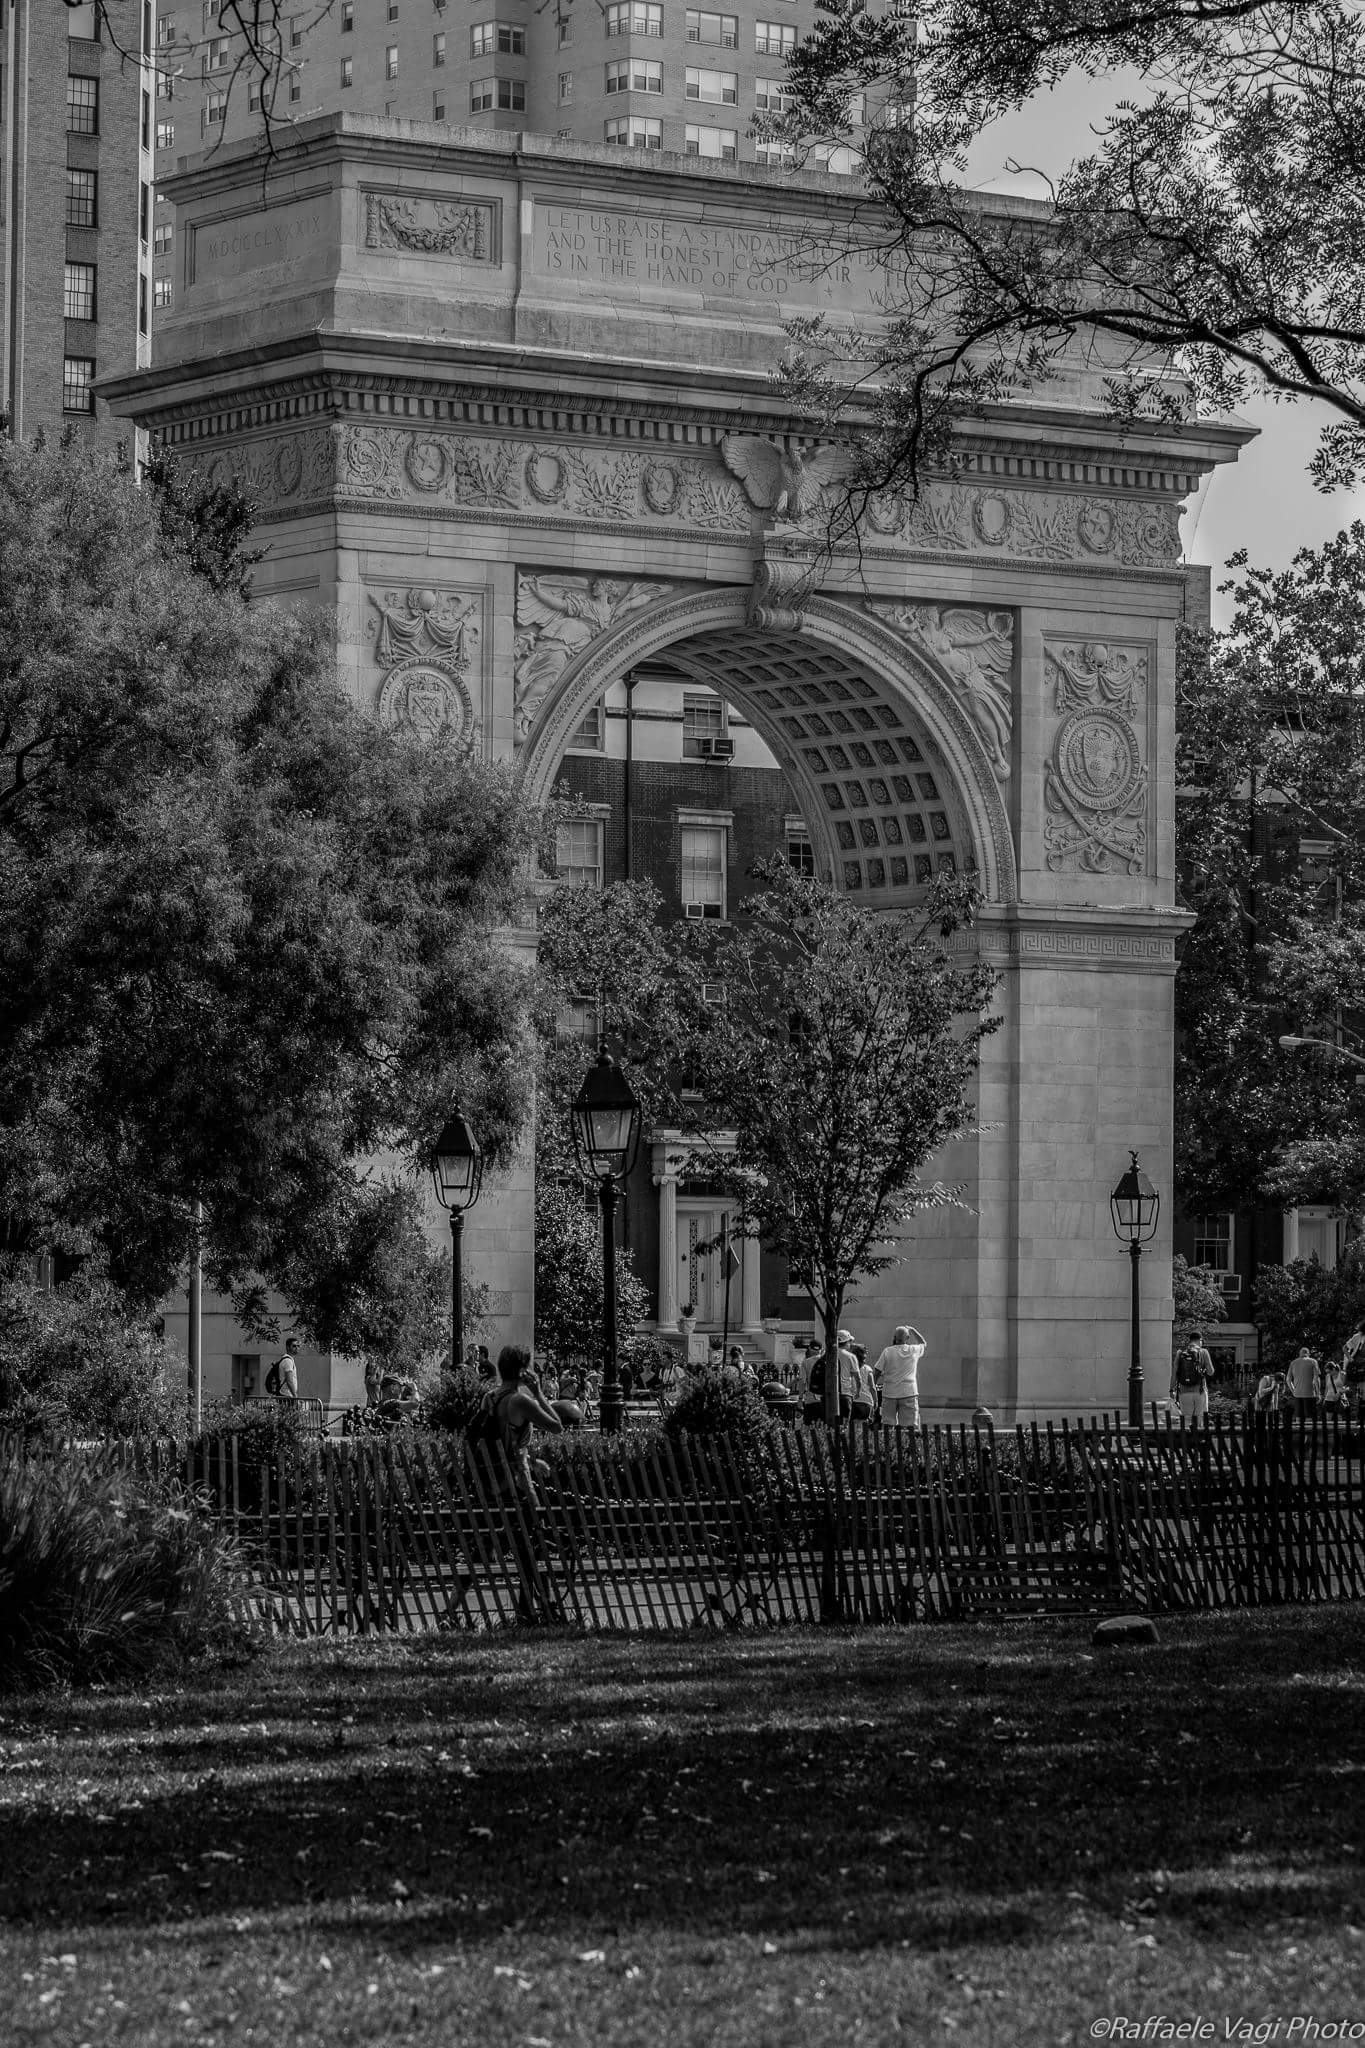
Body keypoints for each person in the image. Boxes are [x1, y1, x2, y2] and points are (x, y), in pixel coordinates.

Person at [471, 1345, 566, 1621]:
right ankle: (540, 1606)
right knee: (534, 1544)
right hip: (518, 1483)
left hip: (493, 1480)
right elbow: (557, 1426)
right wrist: (538, 1393)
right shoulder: (520, 1401)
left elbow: (502, 1441)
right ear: (524, 1370)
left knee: (502, 1546)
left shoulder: (490, 1397)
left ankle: (529, 1607)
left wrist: (531, 1458)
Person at [874, 1324, 927, 1429]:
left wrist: (873, 1387)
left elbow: (877, 1371)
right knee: (909, 1425)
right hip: (909, 1392)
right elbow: (923, 1343)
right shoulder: (913, 1350)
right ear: (907, 1338)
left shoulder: (887, 1351)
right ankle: (907, 1444)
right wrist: (912, 1330)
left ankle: (888, 1444)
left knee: (887, 1424)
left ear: (894, 1337)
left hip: (889, 1393)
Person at [1169, 1329, 1213, 1424]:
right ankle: (1198, 1438)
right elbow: (1211, 1372)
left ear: (1190, 1340)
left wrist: (1171, 1389)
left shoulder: (1180, 1353)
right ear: (1200, 1340)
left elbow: (1174, 1374)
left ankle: (1186, 1438)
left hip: (1184, 1392)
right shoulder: (1203, 1352)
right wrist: (1203, 1370)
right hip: (1200, 1391)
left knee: (1186, 1421)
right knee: (1199, 1420)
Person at [1284, 1344, 1322, 1421]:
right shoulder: (1313, 1361)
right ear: (1308, 1354)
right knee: (1309, 1416)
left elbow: (1288, 1379)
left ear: (1299, 1354)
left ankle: (1299, 1432)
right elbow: (1316, 1379)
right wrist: (1318, 1393)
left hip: (1297, 1394)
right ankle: (1308, 1432)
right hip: (1310, 1394)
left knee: (1298, 1416)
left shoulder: (1293, 1363)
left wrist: (1293, 1390)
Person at [265, 1337, 299, 1401]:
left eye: (298, 1346)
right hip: (286, 1395)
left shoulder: (288, 1360)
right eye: (294, 1346)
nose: (297, 1348)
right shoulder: (288, 1361)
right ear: (288, 1347)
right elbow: (289, 1380)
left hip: (285, 1395)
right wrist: (295, 1395)